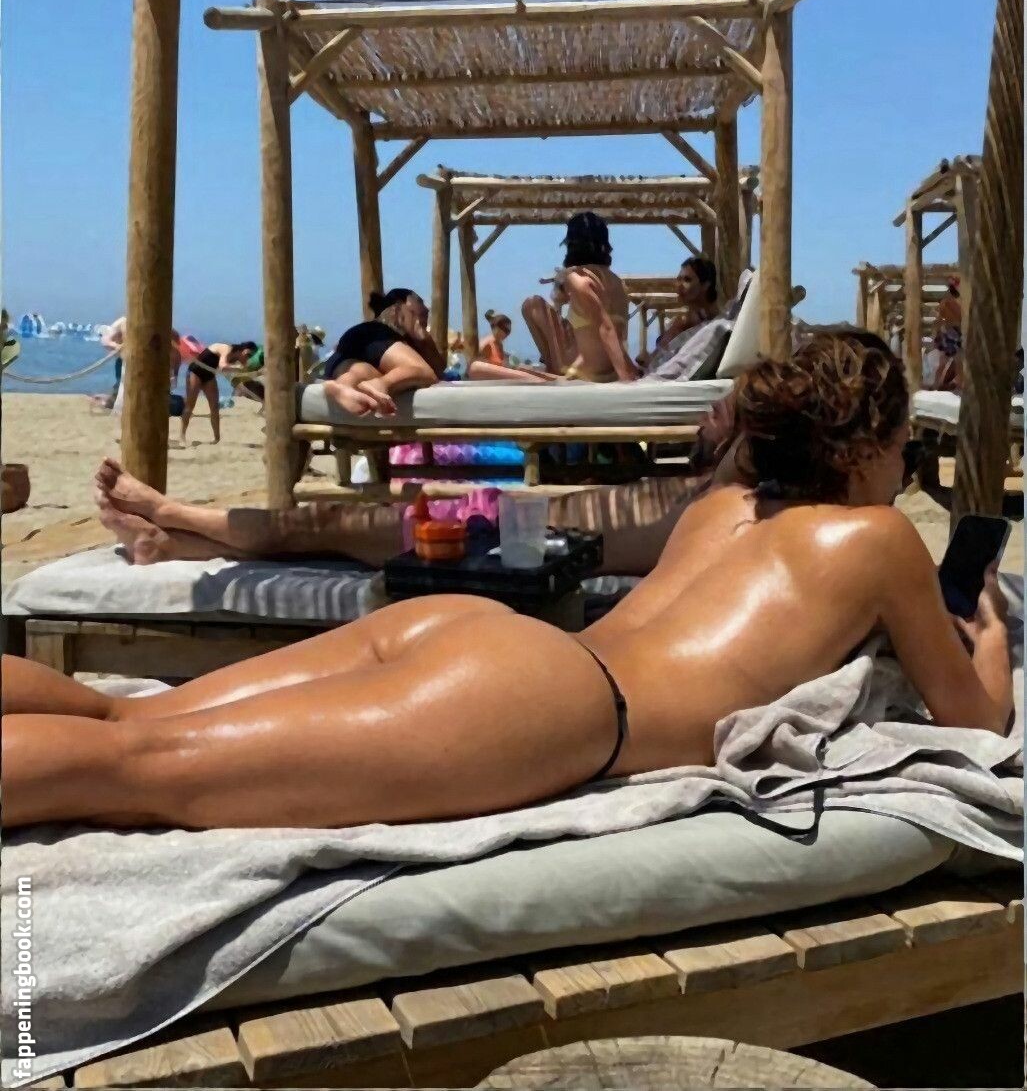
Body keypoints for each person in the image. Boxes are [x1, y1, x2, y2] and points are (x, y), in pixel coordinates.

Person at [5, 332, 1012, 831]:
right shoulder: (877, 538)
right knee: (140, 774)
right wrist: (991, 633)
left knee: (132, 720)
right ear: (867, 443)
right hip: (554, 706)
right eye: (901, 448)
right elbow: (972, 723)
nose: (902, 471)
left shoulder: (718, 508)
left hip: (479, 638)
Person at [522, 212, 637, 382]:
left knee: (532, 304)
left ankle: (552, 369)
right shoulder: (618, 283)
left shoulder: (578, 279)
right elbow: (615, 329)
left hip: (586, 369)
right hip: (609, 368)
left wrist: (626, 379)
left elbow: (606, 328)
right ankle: (554, 368)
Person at [323, 289, 445, 416]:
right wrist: (425, 340)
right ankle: (380, 385)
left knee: (361, 371)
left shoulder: (375, 331)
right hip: (377, 335)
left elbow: (440, 371)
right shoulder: (386, 332)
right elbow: (431, 373)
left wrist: (424, 340)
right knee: (423, 371)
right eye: (420, 301)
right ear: (398, 307)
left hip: (344, 351)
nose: (426, 309)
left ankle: (344, 385)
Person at [641, 256, 719, 371]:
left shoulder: (700, 322)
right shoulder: (686, 320)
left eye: (687, 280)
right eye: (679, 279)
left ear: (706, 284)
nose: (679, 285)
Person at [180, 340, 259, 444]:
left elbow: (239, 371)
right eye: (247, 355)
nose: (247, 358)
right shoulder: (227, 349)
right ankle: (182, 436)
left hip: (209, 376)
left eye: (250, 356)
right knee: (190, 405)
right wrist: (238, 368)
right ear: (242, 351)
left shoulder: (238, 359)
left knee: (214, 407)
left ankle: (216, 439)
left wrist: (252, 372)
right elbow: (222, 366)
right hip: (196, 372)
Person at [931, 276, 963, 391]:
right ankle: (957, 385)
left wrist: (936, 333)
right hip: (952, 333)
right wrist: (936, 333)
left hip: (953, 333)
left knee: (953, 362)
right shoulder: (951, 302)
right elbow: (939, 320)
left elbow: (938, 320)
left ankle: (938, 384)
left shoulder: (950, 302)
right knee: (955, 362)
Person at [100, 315, 126, 409]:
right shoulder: (122, 322)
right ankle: (111, 401)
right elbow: (105, 341)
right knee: (121, 384)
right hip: (123, 360)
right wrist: (118, 346)